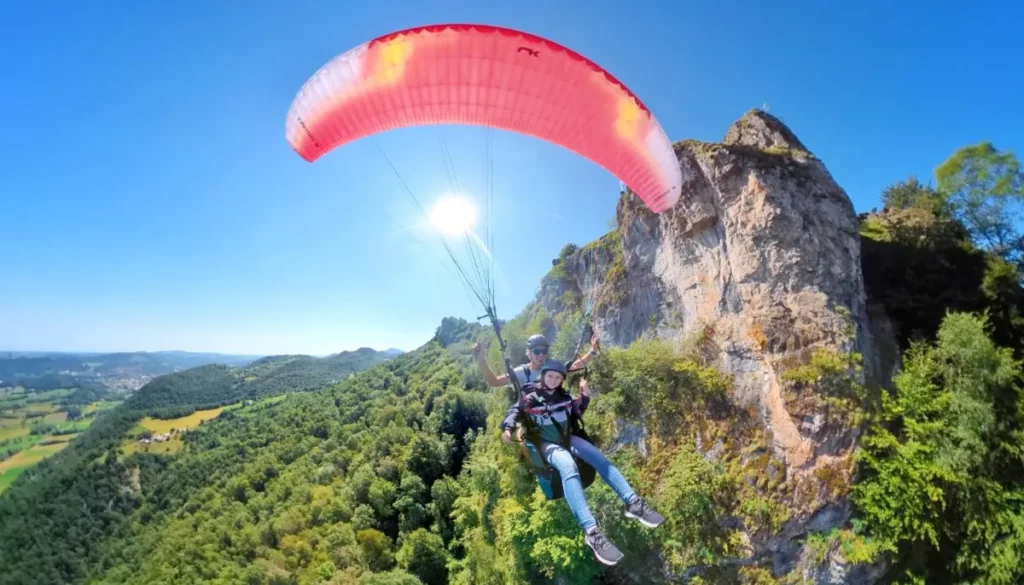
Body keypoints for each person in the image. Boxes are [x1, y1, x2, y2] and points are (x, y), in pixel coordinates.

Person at [500, 359, 665, 566]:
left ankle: (633, 503)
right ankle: (591, 531)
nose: (553, 380)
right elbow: (514, 411)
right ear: (543, 376)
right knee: (568, 465)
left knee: (599, 458)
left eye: (558, 377)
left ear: (561, 380)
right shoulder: (529, 395)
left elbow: (576, 411)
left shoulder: (563, 396)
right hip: (547, 444)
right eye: (550, 375)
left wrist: (585, 395)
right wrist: (507, 428)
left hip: (568, 438)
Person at [472, 332, 600, 390]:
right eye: (536, 352)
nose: (540, 355)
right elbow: (495, 381)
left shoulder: (551, 367)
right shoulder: (522, 372)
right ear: (529, 353)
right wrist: (481, 361)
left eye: (543, 351)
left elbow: (574, 365)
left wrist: (592, 352)